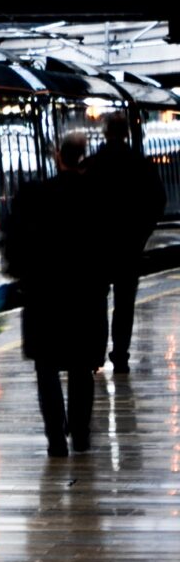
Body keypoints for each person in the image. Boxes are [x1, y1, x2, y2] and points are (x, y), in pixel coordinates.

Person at [7, 132, 110, 455]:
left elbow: (14, 243)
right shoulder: (97, 195)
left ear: (57, 156)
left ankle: (55, 439)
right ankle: (80, 435)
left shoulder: (34, 195)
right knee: (82, 367)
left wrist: (21, 273)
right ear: (83, 157)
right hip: (86, 295)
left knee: (46, 367)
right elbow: (109, 246)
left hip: (43, 295)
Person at [85, 114, 164, 373]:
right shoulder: (141, 165)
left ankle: (96, 354)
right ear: (127, 134)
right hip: (130, 246)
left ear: (106, 133)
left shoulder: (91, 166)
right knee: (125, 303)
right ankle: (120, 354)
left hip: (97, 245)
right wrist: (142, 233)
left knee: (97, 302)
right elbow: (157, 201)